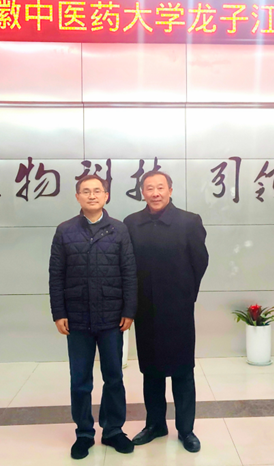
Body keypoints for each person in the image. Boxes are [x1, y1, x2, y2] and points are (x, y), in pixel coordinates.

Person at [49, 174, 137, 460]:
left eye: (97, 191)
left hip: (112, 318)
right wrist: (59, 313)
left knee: (114, 377)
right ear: (77, 197)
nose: (92, 195)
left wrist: (129, 310)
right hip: (77, 318)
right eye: (85, 191)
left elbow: (129, 272)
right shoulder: (65, 230)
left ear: (106, 196)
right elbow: (56, 275)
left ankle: (113, 430)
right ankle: (84, 433)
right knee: (80, 380)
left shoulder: (119, 229)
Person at [123, 170, 209, 453]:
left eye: (161, 187)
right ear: (142, 192)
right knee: (151, 371)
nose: (155, 193)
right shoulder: (131, 223)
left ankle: (186, 430)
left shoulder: (189, 221)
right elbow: (127, 265)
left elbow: (200, 261)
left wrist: (186, 294)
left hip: (178, 309)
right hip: (145, 309)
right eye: (149, 188)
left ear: (170, 190)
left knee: (183, 371)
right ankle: (155, 424)